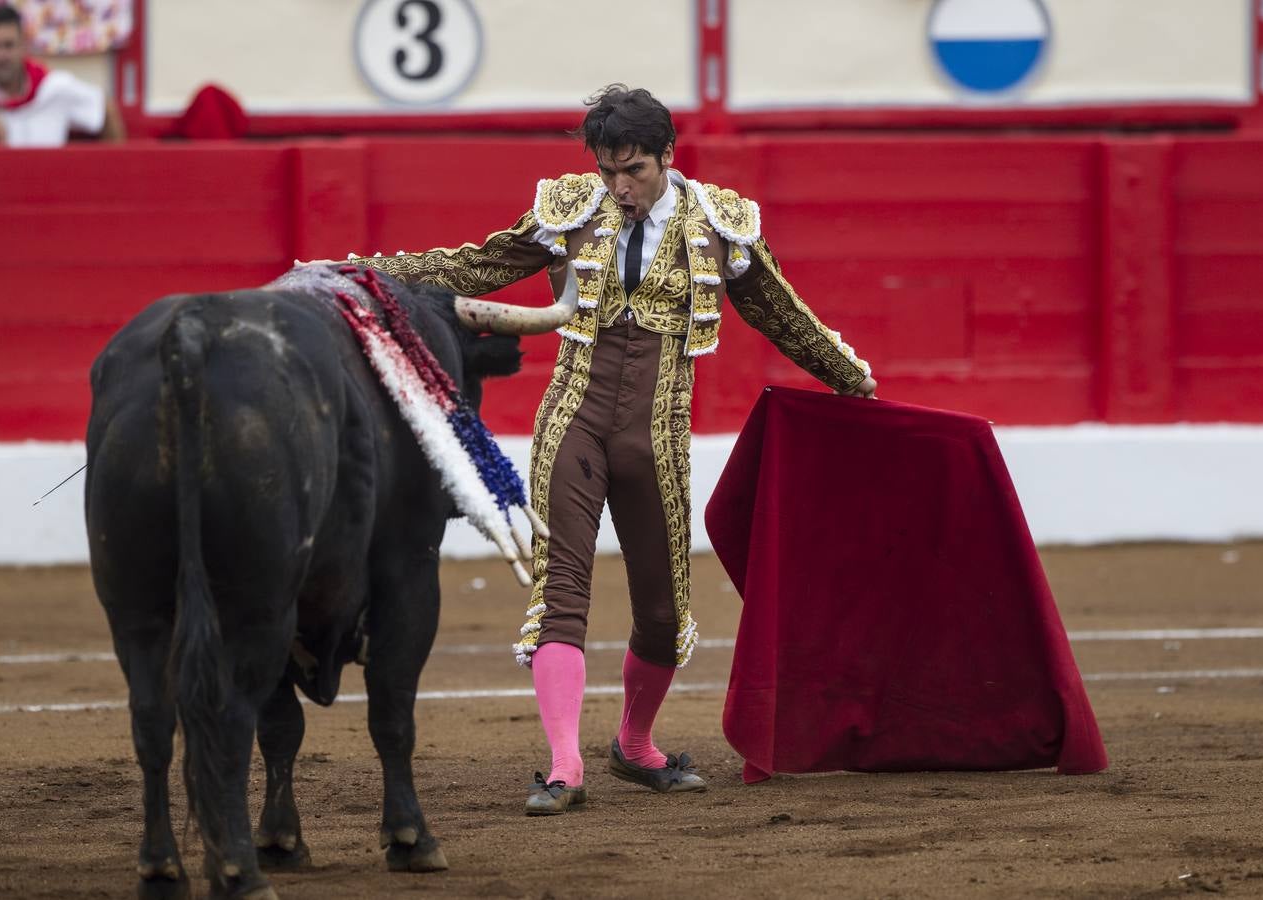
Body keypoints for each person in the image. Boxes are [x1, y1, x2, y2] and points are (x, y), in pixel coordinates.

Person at [347, 85, 876, 815]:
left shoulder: (721, 226)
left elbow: (784, 317)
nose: (619, 186)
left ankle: (634, 743)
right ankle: (564, 765)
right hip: (574, 418)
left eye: (633, 170)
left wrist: (856, 384)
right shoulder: (570, 210)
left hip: (658, 433)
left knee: (662, 611)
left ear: (667, 156)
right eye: (608, 171)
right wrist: (374, 275)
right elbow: (478, 267)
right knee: (561, 592)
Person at [0, 3, 123, 147]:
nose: (0, 55)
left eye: (8, 45)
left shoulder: (54, 87)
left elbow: (104, 108)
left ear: (23, 44)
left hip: (47, 186)